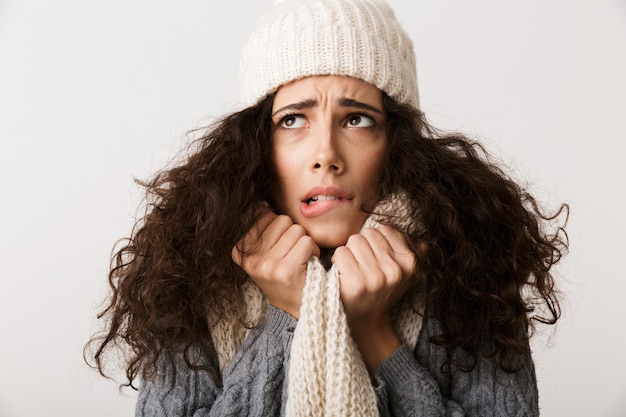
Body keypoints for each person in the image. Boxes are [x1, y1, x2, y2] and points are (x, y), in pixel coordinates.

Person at [85, 0, 569, 415]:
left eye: (357, 119)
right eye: (292, 119)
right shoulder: (189, 278)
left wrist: (374, 332)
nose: (326, 155)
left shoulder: (472, 275)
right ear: (257, 146)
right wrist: (286, 316)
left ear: (398, 146)